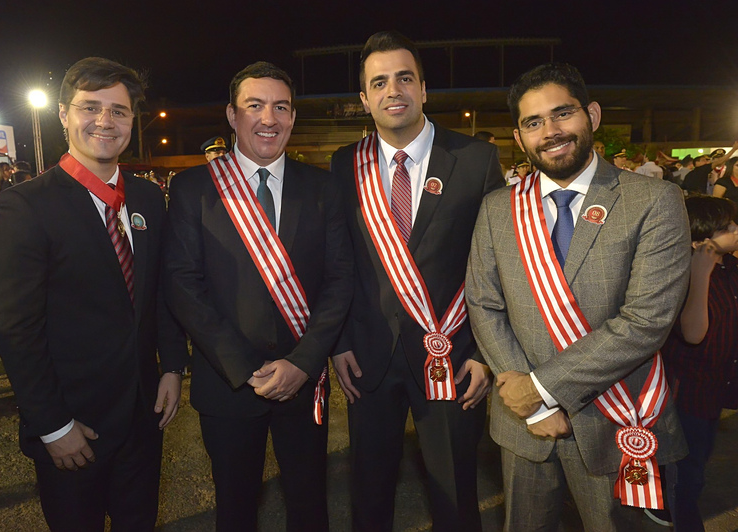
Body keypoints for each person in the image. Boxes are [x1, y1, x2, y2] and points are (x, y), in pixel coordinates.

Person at [466, 63, 690, 530]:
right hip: (524, 426)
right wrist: (530, 403)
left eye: (562, 113)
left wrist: (540, 391)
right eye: (533, 122)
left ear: (592, 115)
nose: (550, 131)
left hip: (616, 419)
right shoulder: (497, 208)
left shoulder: (653, 200)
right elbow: (484, 304)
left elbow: (646, 321)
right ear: (519, 137)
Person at [0, 57, 188, 532]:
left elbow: (160, 292)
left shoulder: (146, 198)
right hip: (75, 427)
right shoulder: (27, 206)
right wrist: (52, 425)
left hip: (143, 417)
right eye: (90, 107)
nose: (104, 121)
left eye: (119, 110)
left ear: (132, 120)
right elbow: (15, 329)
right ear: (63, 114)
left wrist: (173, 366)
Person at [164, 61, 352, 532]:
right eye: (254, 105)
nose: (269, 118)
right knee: (235, 507)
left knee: (309, 503)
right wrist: (244, 366)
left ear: (293, 117)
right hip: (227, 382)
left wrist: (303, 362)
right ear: (232, 115)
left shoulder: (324, 187)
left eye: (281, 107)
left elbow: (339, 281)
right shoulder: (192, 188)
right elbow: (183, 284)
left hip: (302, 380)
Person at [330, 31, 502, 532]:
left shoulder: (476, 158)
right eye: (379, 82)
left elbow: (497, 263)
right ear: (364, 99)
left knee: (455, 497)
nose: (393, 90)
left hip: (452, 355)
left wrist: (486, 353)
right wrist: (339, 342)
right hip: (368, 358)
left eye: (404, 78)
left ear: (423, 88)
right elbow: (337, 262)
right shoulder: (344, 164)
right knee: (369, 495)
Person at [661, 196, 738, 531]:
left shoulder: (729, 267)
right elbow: (694, 333)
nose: (736, 229)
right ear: (699, 242)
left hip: (717, 387)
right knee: (686, 474)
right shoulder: (680, 275)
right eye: (726, 227)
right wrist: (700, 273)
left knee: (700, 460)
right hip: (688, 393)